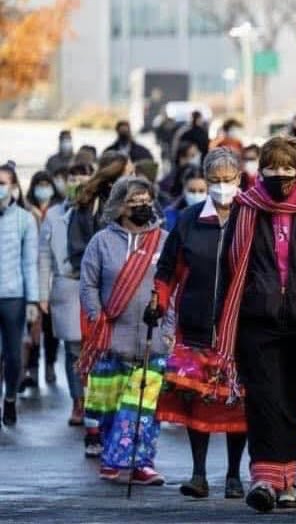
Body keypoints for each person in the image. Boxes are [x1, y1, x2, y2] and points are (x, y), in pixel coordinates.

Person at [213, 136, 296, 513]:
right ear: (261, 172)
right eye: (272, 171)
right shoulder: (245, 209)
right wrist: (222, 323)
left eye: (288, 171)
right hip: (256, 321)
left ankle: (288, 481)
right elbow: (227, 267)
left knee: (289, 400)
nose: (280, 178)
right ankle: (264, 479)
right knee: (263, 399)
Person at [148, 148, 247, 499]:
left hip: (239, 329)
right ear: (206, 181)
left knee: (238, 404)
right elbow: (167, 269)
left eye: (228, 180)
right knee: (197, 402)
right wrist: (158, 301)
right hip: (194, 326)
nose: (222, 187)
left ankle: (235, 475)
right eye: (215, 181)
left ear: (240, 179)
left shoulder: (250, 216)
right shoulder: (189, 219)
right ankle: (199, 473)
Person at [78, 176, 169, 485]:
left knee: (142, 406)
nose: (142, 207)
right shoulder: (101, 242)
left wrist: (168, 327)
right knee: (112, 403)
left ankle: (141, 462)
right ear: (119, 207)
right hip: (110, 337)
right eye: (134, 202)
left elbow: (174, 287)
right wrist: (97, 315)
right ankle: (111, 457)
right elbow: (88, 284)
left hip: (152, 340)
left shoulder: (163, 241)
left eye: (146, 201)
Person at [39, 163, 95, 426]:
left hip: (94, 286)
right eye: (72, 177)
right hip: (66, 285)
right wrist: (41, 294)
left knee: (93, 348)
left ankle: (94, 399)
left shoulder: (99, 210)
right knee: (73, 349)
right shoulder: (53, 215)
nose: (77, 181)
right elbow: (44, 257)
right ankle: (77, 401)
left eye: (84, 177)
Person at [0, 161, 40, 427]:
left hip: (13, 296)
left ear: (13, 186)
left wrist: (33, 299)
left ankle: (11, 397)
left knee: (14, 355)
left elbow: (30, 262)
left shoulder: (24, 219)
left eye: (3, 183)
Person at [19, 171, 62, 393]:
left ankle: (50, 365)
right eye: (39, 184)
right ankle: (33, 367)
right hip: (32, 277)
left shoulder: (59, 212)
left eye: (47, 184)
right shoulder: (26, 211)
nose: (43, 188)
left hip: (54, 277)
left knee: (52, 328)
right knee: (33, 325)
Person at [67, 152, 133, 275]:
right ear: (112, 183)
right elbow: (77, 253)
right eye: (129, 175)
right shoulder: (88, 207)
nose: (135, 179)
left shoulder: (144, 204)